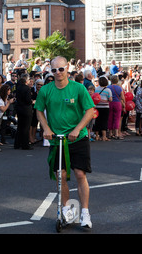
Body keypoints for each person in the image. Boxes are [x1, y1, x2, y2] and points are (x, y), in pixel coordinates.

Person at [35, 56, 95, 229]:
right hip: (57, 140)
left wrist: (77, 129)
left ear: (67, 68)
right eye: (54, 70)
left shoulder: (78, 88)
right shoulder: (45, 90)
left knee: (80, 174)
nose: (58, 73)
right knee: (60, 176)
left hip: (78, 137)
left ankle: (84, 212)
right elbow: (39, 111)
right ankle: (67, 210)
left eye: (61, 69)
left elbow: (90, 110)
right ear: (50, 71)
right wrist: (46, 128)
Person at [14, 73, 33, 150]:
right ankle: (25, 145)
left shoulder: (18, 87)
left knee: (20, 126)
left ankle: (17, 144)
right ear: (26, 80)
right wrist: (32, 101)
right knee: (26, 127)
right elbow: (28, 100)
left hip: (19, 108)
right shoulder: (27, 88)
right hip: (26, 109)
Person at [92, 76, 112, 141]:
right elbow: (110, 99)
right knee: (104, 121)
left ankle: (97, 136)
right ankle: (104, 136)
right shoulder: (108, 90)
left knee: (97, 121)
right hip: (105, 107)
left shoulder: (96, 89)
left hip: (97, 107)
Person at [108, 74, 125, 140]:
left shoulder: (108, 87)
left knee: (110, 118)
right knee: (117, 118)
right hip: (117, 103)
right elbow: (122, 97)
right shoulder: (119, 88)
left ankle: (110, 133)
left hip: (110, 103)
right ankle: (116, 134)